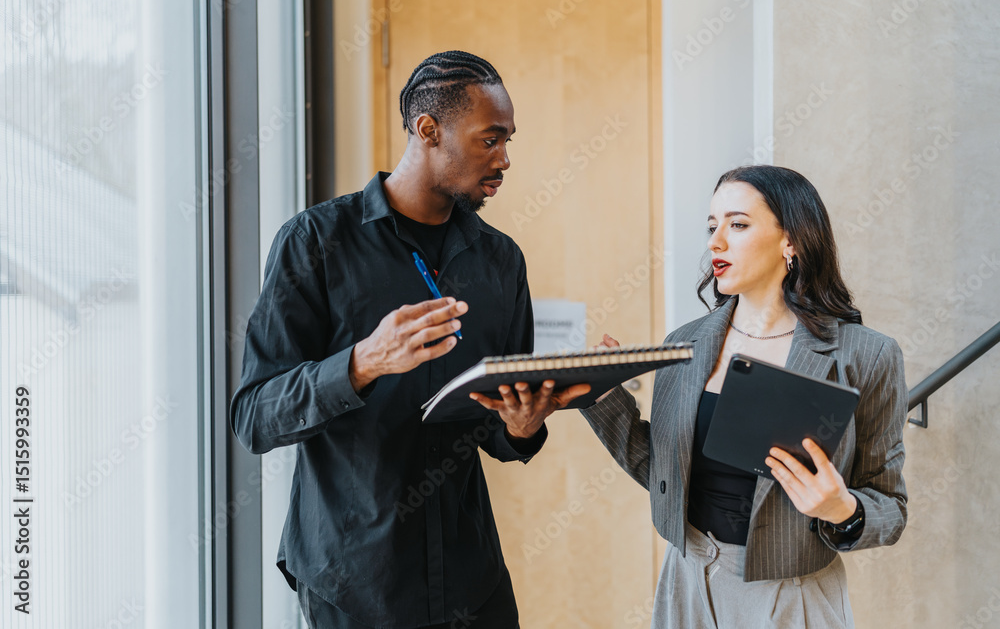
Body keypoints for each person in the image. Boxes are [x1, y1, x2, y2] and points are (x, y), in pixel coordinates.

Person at [230, 51, 588, 629]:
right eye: (489, 140)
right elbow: (254, 417)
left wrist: (523, 426)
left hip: (472, 581)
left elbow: (499, 427)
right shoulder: (314, 242)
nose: (504, 160)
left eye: (508, 141)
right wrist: (362, 363)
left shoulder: (501, 260)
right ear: (428, 130)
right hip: (354, 582)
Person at [582, 165, 907, 628]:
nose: (715, 241)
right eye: (712, 226)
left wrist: (843, 511)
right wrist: (603, 395)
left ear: (791, 240)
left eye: (737, 224)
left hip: (792, 596)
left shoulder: (867, 355)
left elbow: (890, 508)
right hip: (686, 581)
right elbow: (661, 470)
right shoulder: (686, 343)